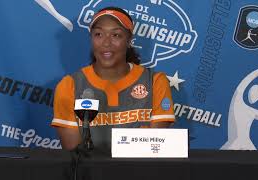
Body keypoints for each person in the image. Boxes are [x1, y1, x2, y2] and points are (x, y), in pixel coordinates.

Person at [51, 7, 175, 151]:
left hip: (141, 172)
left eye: (116, 35)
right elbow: (74, 153)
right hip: (90, 173)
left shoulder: (155, 82)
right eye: (98, 34)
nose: (106, 43)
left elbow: (154, 148)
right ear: (91, 39)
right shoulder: (69, 86)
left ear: (129, 40)